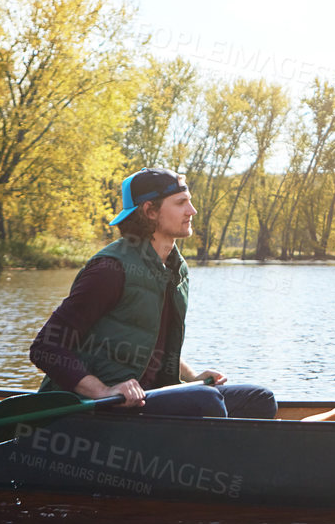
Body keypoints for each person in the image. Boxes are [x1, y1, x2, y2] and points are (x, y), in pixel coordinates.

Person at [29, 168, 277, 418]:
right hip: (102, 408)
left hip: (152, 399)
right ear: (150, 211)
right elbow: (45, 347)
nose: (192, 211)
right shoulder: (110, 269)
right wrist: (103, 391)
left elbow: (151, 344)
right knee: (206, 402)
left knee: (259, 399)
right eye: (181, 203)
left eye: (189, 201)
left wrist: (191, 376)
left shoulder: (175, 268)